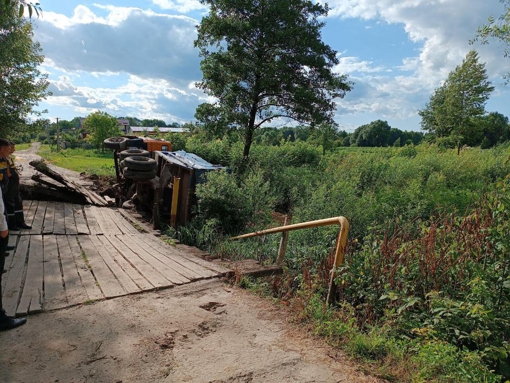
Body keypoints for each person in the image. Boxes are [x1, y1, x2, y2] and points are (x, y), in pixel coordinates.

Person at [0, 139, 27, 330]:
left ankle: (18, 223)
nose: (12, 149)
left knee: (14, 204)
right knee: (9, 206)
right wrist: (3, 228)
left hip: (9, 190)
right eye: (9, 147)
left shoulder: (6, 159)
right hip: (1, 226)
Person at [4, 141, 31, 230]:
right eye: (11, 148)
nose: (13, 149)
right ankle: (12, 224)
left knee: (18, 202)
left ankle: (20, 222)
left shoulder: (9, 157)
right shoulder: (4, 159)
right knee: (10, 204)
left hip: (15, 185)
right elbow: (7, 173)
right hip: (9, 185)